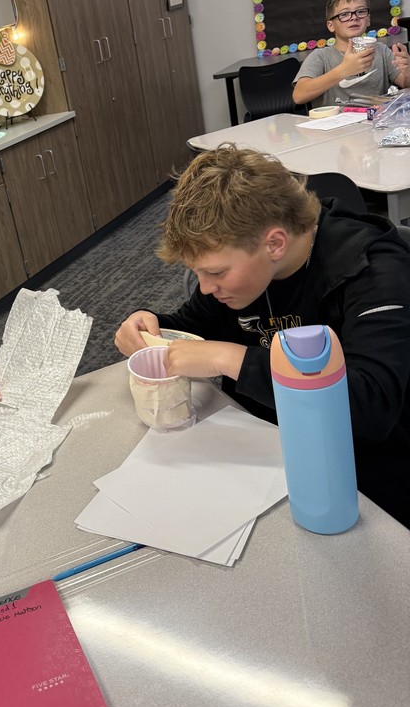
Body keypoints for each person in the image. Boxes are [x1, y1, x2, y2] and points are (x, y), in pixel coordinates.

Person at [114, 144, 410, 528]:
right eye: (198, 273)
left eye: (216, 273)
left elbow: (371, 407)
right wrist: (148, 325)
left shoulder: (374, 271)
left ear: (274, 243)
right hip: (265, 455)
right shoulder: (240, 276)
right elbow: (192, 326)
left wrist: (228, 359)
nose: (204, 288)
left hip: (361, 473)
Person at [291, 0, 410, 108]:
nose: (354, 17)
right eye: (344, 14)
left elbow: (405, 83)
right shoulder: (320, 56)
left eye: (361, 11)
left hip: (375, 121)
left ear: (368, 20)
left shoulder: (381, 50)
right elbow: (299, 96)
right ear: (331, 25)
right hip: (336, 124)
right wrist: (344, 70)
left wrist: (408, 71)